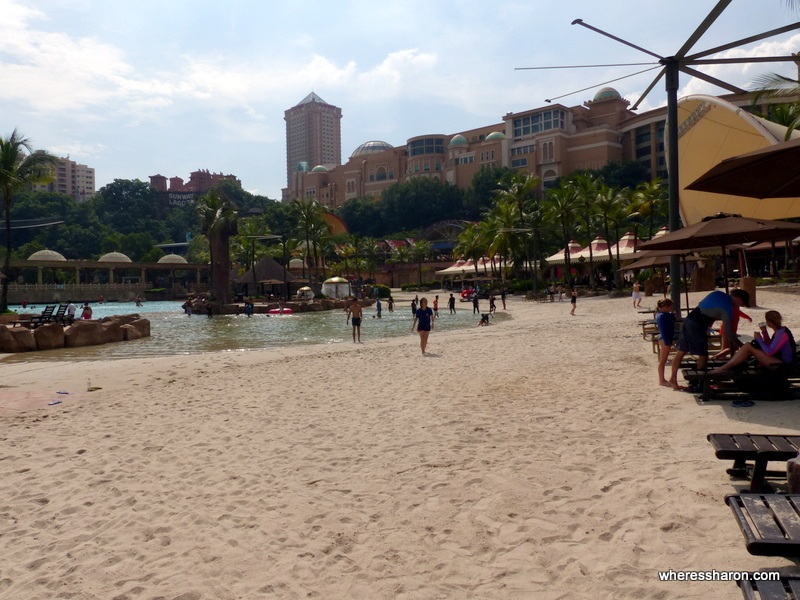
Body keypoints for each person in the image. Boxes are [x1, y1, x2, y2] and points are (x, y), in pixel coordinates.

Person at [669, 289, 751, 390]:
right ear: (738, 298)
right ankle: (699, 384)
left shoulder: (717, 293)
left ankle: (673, 379)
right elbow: (728, 332)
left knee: (682, 350)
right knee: (703, 354)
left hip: (689, 319)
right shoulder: (727, 309)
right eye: (742, 303)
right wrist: (741, 345)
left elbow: (704, 306)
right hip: (697, 325)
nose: (741, 305)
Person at [710, 310, 795, 374]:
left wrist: (759, 339)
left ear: (768, 322)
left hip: (783, 366)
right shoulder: (780, 331)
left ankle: (725, 367)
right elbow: (770, 345)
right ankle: (728, 366)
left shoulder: (783, 334)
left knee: (748, 346)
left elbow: (769, 352)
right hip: (778, 361)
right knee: (749, 346)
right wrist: (764, 332)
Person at [655, 299, 677, 387]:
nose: (671, 309)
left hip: (667, 339)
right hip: (664, 339)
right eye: (670, 307)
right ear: (665, 307)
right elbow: (663, 331)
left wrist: (673, 315)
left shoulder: (666, 315)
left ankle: (662, 379)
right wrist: (667, 344)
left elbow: (672, 319)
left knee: (663, 360)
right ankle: (661, 380)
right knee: (662, 361)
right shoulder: (661, 316)